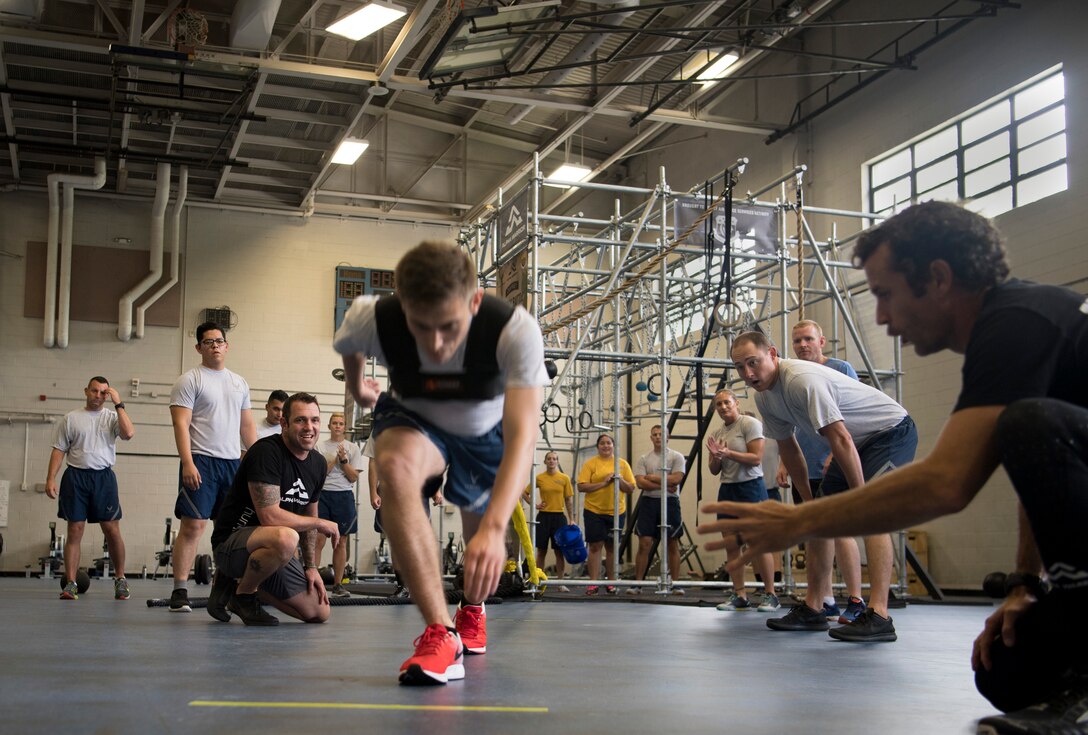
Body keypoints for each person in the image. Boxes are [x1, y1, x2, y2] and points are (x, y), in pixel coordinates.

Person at [701, 201, 1088, 731]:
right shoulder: (1005, 332)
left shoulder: (1016, 323)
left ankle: (1080, 690)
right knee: (1008, 674)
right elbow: (1037, 478)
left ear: (938, 278)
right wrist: (1026, 585)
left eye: (884, 294)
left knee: (1025, 425)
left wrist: (801, 520)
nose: (880, 317)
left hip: (885, 438)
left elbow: (947, 483)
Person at [334, 240, 546, 685]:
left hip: (483, 429)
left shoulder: (514, 330)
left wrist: (493, 528)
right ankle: (440, 631)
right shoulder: (371, 315)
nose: (435, 343)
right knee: (394, 470)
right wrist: (358, 389)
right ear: (403, 305)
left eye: (449, 327)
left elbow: (524, 435)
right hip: (414, 415)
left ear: (473, 302)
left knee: (479, 533)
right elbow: (351, 347)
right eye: (420, 326)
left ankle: (472, 609)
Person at [723, 330, 917, 642]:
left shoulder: (801, 380)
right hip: (855, 443)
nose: (748, 373)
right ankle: (814, 608)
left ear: (772, 354)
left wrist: (860, 495)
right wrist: (811, 502)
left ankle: (880, 614)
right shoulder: (764, 398)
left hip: (890, 432)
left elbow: (840, 438)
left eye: (753, 362)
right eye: (740, 367)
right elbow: (790, 450)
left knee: (873, 512)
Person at [207, 392, 339, 626]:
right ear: (284, 423)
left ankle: (237, 586)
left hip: (274, 550)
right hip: (232, 545)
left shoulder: (318, 463)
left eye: (315, 420)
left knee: (319, 612)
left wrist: (311, 567)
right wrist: (320, 524)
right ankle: (242, 595)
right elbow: (269, 516)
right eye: (300, 420)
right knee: (286, 536)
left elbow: (310, 514)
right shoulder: (266, 452)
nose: (309, 427)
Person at [168, 322, 257, 613]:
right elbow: (180, 424)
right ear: (199, 348)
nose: (215, 346)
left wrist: (255, 462)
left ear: (227, 346)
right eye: (208, 342)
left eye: (219, 341)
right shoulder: (189, 380)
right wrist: (188, 462)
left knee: (230, 531)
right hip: (201, 461)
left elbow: (247, 426)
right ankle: (180, 590)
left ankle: (225, 590)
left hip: (232, 463)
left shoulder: (239, 382)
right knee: (193, 526)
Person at [784, 320, 866, 623]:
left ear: (822, 342)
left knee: (840, 531)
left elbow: (853, 416)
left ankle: (856, 600)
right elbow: (789, 424)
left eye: (808, 339)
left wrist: (837, 453)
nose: (802, 345)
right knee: (814, 534)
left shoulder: (841, 369)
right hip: (805, 467)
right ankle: (826, 600)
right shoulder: (794, 374)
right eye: (797, 341)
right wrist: (784, 463)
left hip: (835, 464)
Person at [45, 376, 135, 600]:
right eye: (94, 391)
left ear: (108, 394)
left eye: (103, 392)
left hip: (103, 478)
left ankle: (121, 579)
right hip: (76, 477)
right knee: (74, 530)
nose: (98, 395)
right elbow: (59, 450)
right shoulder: (71, 418)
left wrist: (119, 403)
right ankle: (71, 583)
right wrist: (50, 479)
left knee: (111, 529)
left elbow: (129, 434)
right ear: (86, 391)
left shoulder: (112, 417)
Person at [706, 390, 778, 612]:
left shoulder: (749, 424)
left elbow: (755, 458)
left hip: (751, 488)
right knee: (731, 544)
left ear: (736, 403)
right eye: (719, 404)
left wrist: (728, 453)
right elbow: (713, 470)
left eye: (727, 402)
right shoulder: (718, 432)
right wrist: (717, 457)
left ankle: (770, 594)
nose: (723, 407)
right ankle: (740, 595)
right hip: (728, 489)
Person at [629, 425, 687, 595]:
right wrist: (664, 482)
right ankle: (638, 584)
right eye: (654, 434)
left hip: (670, 502)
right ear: (650, 437)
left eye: (661, 434)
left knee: (672, 543)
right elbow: (640, 483)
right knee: (644, 543)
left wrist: (653, 478)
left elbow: (676, 479)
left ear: (667, 437)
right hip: (649, 502)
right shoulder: (643, 458)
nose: (657, 437)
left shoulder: (677, 457)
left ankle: (675, 584)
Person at [577, 433, 636, 595]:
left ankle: (611, 582)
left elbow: (630, 488)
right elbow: (581, 487)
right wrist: (604, 483)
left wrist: (619, 479)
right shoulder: (591, 464)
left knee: (611, 547)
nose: (605, 446)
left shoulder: (622, 465)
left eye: (608, 443)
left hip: (616, 512)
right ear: (598, 447)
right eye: (602, 443)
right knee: (595, 546)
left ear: (613, 445)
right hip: (594, 510)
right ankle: (593, 583)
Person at [316, 412, 364, 598]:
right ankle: (314, 582)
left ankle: (337, 585)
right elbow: (319, 474)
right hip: (323, 494)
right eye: (334, 423)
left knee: (341, 541)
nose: (337, 426)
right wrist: (334, 460)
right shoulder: (319, 446)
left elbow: (353, 477)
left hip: (343, 495)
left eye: (341, 423)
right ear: (329, 426)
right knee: (318, 539)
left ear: (344, 427)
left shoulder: (353, 448)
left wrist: (344, 462)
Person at [523, 450, 575, 591]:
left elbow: (568, 499)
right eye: (549, 458)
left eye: (554, 459)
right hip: (543, 516)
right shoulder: (539, 478)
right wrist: (535, 505)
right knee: (541, 551)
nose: (552, 461)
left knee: (559, 551)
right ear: (545, 461)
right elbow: (525, 493)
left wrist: (571, 519)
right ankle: (538, 580)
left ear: (557, 461)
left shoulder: (564, 478)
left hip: (559, 517)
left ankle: (560, 583)